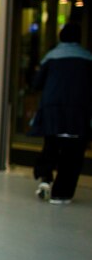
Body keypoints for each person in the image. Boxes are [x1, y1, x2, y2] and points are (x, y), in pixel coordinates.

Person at [29, 22, 92, 205]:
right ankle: (61, 194)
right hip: (78, 114)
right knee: (72, 155)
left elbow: (36, 83)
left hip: (52, 111)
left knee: (50, 146)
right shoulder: (87, 58)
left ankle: (45, 178)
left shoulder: (51, 56)